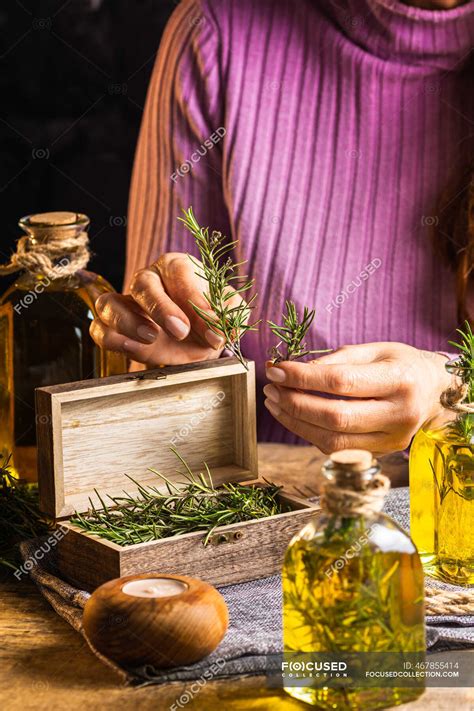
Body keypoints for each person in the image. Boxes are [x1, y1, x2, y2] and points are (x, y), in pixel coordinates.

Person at [90, 0, 474, 453]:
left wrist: (453, 397)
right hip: (271, 501)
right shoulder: (217, 31)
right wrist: (172, 355)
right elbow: (159, 416)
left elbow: (452, 403)